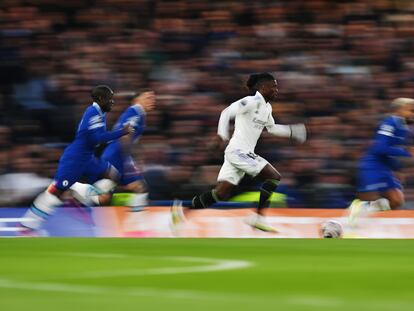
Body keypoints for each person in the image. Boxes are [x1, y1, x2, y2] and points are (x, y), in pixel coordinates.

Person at [171, 73, 306, 232]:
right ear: (263, 87)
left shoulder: (267, 107)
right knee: (274, 176)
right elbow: (226, 112)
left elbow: (272, 128)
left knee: (220, 194)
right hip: (238, 151)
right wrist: (222, 135)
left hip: (240, 153)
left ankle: (182, 212)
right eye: (274, 86)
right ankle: (259, 218)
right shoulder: (251, 101)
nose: (277, 90)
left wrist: (292, 131)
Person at [20, 85, 133, 233]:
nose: (112, 102)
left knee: (113, 175)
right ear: (100, 99)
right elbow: (96, 139)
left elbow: (97, 138)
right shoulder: (92, 113)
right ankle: (27, 226)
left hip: (88, 158)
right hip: (75, 159)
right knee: (55, 192)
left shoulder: (100, 113)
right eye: (109, 98)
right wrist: (121, 132)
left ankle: (80, 194)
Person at [348, 98, 414, 224]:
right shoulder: (389, 123)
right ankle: (355, 218)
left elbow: (391, 151)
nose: (413, 114)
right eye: (411, 110)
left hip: (385, 167)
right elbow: (380, 148)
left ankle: (365, 210)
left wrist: (397, 168)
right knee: (368, 199)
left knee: (396, 201)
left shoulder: (404, 128)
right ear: (399, 110)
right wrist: (407, 152)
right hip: (372, 166)